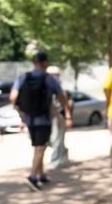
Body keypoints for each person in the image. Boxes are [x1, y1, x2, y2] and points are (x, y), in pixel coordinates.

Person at [10, 52, 72, 191]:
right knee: (41, 147)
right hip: (44, 119)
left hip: (29, 119)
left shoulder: (23, 77)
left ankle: (41, 174)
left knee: (37, 146)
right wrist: (67, 113)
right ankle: (32, 177)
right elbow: (62, 97)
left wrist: (21, 114)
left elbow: (13, 97)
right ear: (45, 63)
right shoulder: (49, 79)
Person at [46, 66, 72, 170]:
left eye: (55, 75)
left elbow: (66, 103)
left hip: (58, 115)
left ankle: (55, 160)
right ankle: (63, 153)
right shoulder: (46, 86)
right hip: (49, 116)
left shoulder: (61, 87)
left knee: (56, 139)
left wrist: (66, 117)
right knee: (52, 140)